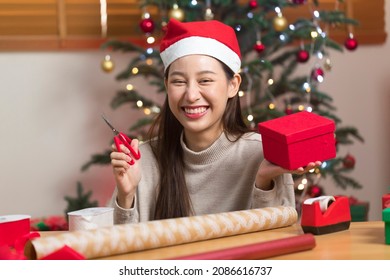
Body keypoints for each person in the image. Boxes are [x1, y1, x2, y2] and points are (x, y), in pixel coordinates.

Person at [108, 18, 321, 224]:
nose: (191, 95)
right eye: (179, 81)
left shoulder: (263, 154)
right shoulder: (142, 161)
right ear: (166, 85)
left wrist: (264, 183)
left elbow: (280, 247)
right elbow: (116, 249)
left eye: (205, 80)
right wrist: (126, 197)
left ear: (233, 85)